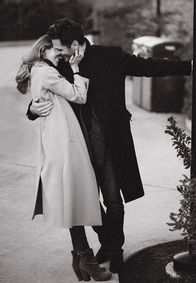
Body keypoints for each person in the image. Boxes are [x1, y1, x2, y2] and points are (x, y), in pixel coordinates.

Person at [27, 18, 193, 273]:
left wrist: (189, 67)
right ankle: (107, 243)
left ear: (74, 44)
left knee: (113, 200)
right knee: (85, 201)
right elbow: (41, 89)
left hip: (110, 142)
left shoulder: (110, 56)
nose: (58, 54)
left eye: (61, 49)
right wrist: (32, 110)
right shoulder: (60, 65)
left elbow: (148, 66)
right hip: (75, 146)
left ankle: (114, 249)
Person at [16, 34, 112, 281]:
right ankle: (89, 256)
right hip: (65, 144)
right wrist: (77, 68)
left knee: (74, 199)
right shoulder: (46, 72)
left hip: (61, 142)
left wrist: (32, 110)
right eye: (56, 51)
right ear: (44, 49)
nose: (60, 55)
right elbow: (79, 96)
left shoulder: (41, 70)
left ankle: (82, 256)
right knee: (80, 198)